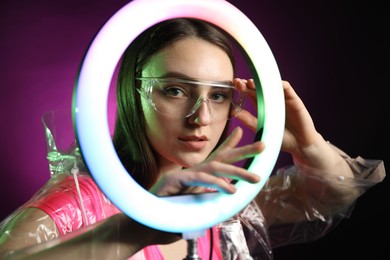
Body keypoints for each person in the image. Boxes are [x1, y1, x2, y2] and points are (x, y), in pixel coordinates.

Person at [0, 18, 385, 260]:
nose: (200, 117)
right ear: (133, 94)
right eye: (175, 90)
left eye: (218, 95)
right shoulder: (77, 203)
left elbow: (333, 196)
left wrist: (310, 145)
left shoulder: (216, 203)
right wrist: (131, 230)